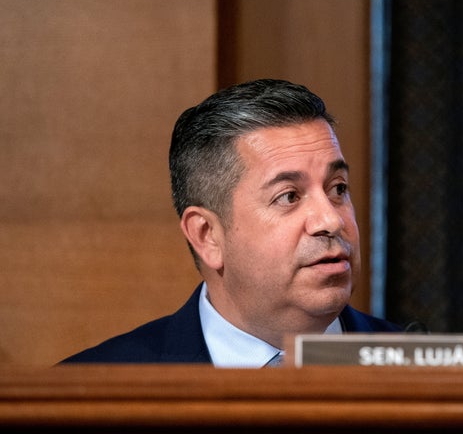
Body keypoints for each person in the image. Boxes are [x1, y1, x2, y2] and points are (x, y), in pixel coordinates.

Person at [61, 79, 401, 367]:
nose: (330, 219)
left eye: (337, 189)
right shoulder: (87, 393)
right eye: (289, 197)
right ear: (207, 236)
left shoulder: (431, 373)